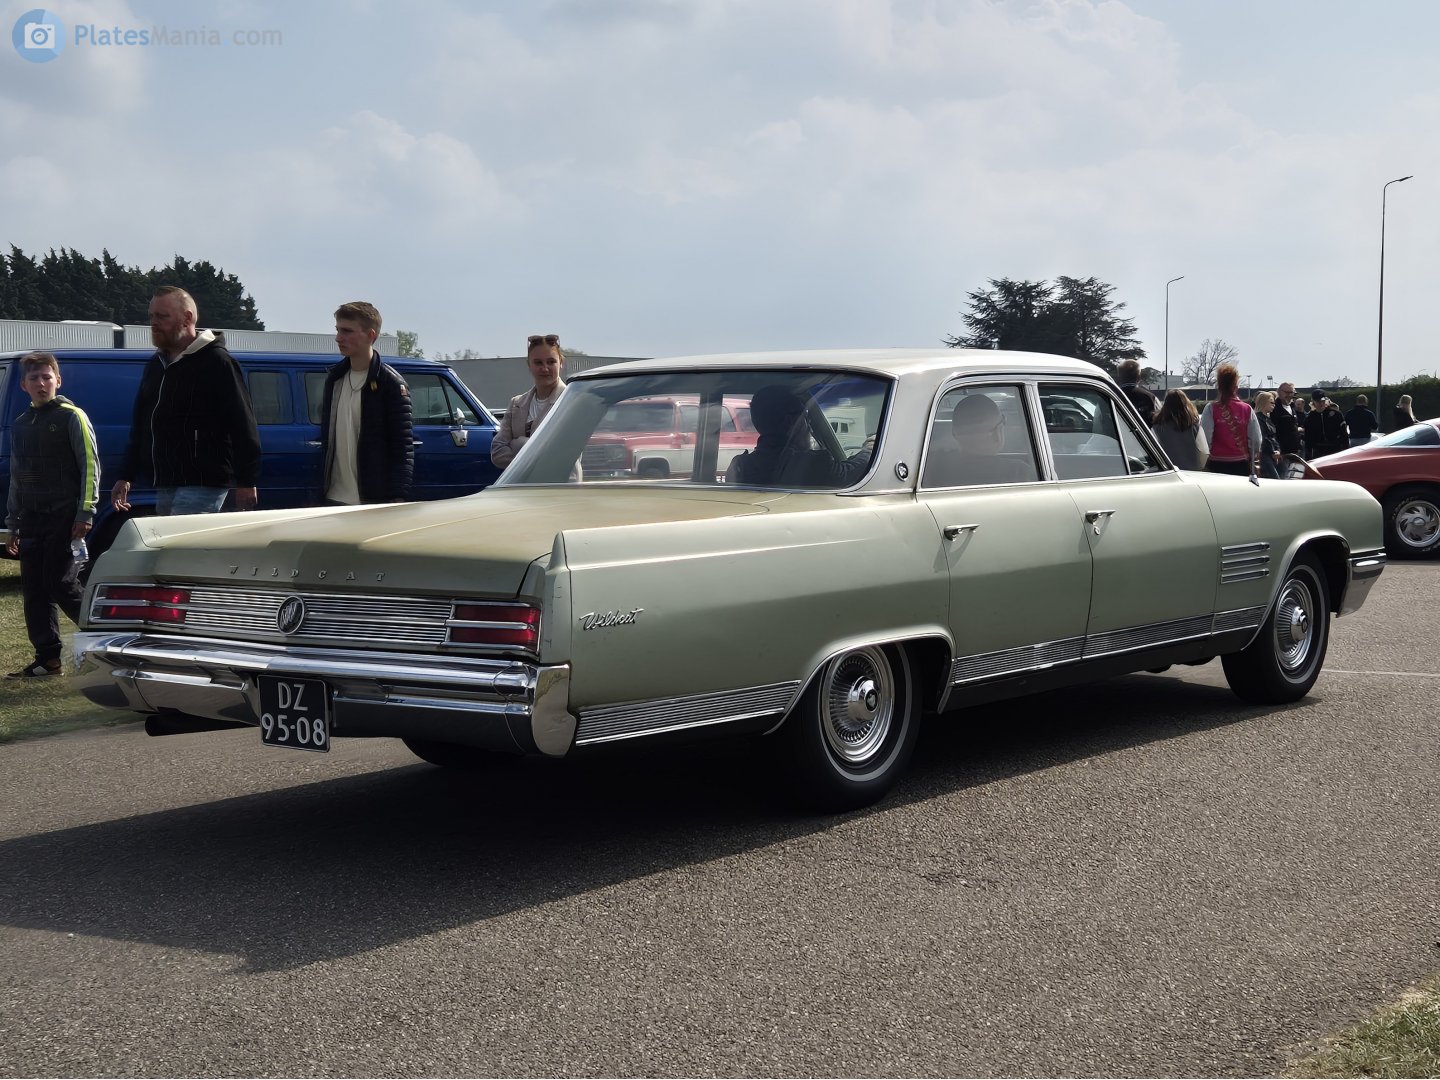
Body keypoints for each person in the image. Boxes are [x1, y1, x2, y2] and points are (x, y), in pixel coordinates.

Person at [112, 286, 261, 515]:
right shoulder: (156, 365)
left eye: (162, 316)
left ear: (187, 318)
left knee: (180, 538)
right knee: (172, 538)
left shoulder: (217, 362)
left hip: (204, 480)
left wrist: (246, 480)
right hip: (166, 481)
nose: (154, 323)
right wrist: (125, 475)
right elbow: (142, 425)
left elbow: (242, 423)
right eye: (151, 316)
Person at [4, 353, 99, 678]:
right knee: (35, 589)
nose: (41, 383)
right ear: (24, 385)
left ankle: (105, 640)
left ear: (58, 380)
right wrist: (13, 523)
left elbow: (90, 466)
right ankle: (48, 659)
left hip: (65, 516)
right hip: (32, 517)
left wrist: (85, 511)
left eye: (47, 377)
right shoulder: (21, 423)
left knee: (61, 583)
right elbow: (17, 476)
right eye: (34, 378)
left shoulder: (72, 416)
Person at [318, 302, 414, 504]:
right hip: (333, 498)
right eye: (337, 330)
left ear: (370, 335)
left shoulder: (390, 384)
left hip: (372, 501)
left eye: (347, 331)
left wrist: (397, 497)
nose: (338, 338)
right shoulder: (334, 379)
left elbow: (402, 448)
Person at [727, 384, 873, 487]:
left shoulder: (739, 466)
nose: (809, 426)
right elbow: (849, 473)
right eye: (806, 417)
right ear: (791, 422)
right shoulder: (811, 463)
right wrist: (868, 450)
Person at [492, 334, 567, 469]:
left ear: (561, 362)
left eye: (551, 362)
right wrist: (534, 452)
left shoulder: (571, 402)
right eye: (538, 362)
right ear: (529, 365)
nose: (545, 368)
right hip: (524, 482)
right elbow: (497, 452)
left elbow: (563, 453)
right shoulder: (516, 403)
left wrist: (518, 444)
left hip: (560, 481)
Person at [924, 394, 1032, 486]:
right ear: (996, 434)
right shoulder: (1018, 472)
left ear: (954, 433)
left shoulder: (934, 468)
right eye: (1003, 421)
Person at [1199, 364, 1261, 476]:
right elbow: (1256, 440)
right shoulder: (1247, 409)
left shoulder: (1211, 408)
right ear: (1236, 386)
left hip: (1216, 463)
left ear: (1219, 386)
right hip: (1241, 463)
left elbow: (1205, 438)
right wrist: (1252, 456)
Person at [1151, 389, 1209, 471]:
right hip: (1192, 471)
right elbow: (1204, 451)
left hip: (1168, 471)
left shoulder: (1156, 428)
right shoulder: (1195, 427)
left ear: (1165, 405)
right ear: (1186, 404)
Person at [1303, 389, 1349, 459]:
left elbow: (1344, 433)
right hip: (1318, 451)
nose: (1321, 403)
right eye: (1318, 401)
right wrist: (1308, 456)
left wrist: (1346, 451)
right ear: (1313, 402)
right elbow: (1308, 438)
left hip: (1336, 450)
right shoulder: (1310, 418)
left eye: (1323, 401)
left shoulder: (1336, 414)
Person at [1115, 359, 1158, 425]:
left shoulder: (1110, 394)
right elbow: (1156, 423)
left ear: (1119, 377)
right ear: (1139, 377)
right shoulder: (1150, 397)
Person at [1253, 390, 1282, 479]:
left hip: (1271, 455)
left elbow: (1273, 437)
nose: (1274, 405)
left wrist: (1278, 450)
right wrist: (1273, 452)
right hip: (1264, 455)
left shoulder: (1267, 419)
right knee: (1275, 481)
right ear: (1263, 402)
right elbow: (1263, 438)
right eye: (1271, 403)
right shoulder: (1258, 418)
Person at [1271, 382, 1305, 458]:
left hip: (1296, 451)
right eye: (1286, 392)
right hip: (1282, 454)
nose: (1289, 395)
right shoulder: (1274, 408)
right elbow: (1272, 432)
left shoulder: (1292, 407)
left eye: (1291, 392)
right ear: (1279, 392)